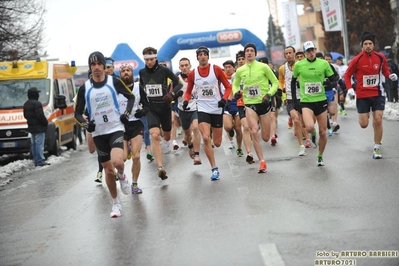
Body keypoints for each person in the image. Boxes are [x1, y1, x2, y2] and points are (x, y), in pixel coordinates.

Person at [74, 51, 135, 218]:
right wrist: (86, 124)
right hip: (98, 133)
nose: (96, 67)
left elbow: (131, 97)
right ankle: (116, 204)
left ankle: (122, 176)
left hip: (115, 127)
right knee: (108, 171)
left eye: (99, 64)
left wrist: (127, 114)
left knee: (118, 161)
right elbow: (77, 114)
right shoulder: (84, 88)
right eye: (92, 65)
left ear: (103, 66)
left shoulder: (113, 82)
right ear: (90, 68)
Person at [344, 31, 397, 159]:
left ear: (374, 45)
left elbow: (384, 70)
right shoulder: (356, 60)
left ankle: (377, 147)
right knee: (363, 124)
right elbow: (347, 75)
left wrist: (390, 75)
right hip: (362, 95)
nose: (368, 46)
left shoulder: (380, 57)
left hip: (378, 93)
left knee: (378, 119)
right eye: (366, 44)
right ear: (362, 46)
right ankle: (369, 119)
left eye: (370, 43)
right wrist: (350, 88)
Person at [183, 46, 232, 180]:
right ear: (197, 57)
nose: (203, 56)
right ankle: (214, 169)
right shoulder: (193, 73)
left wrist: (224, 99)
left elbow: (228, 87)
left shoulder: (215, 69)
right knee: (205, 137)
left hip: (216, 108)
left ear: (208, 56)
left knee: (217, 143)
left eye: (205, 54)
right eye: (200, 55)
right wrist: (186, 100)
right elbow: (188, 91)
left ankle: (216, 137)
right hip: (203, 108)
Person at [232, 43, 279, 173]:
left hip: (264, 103)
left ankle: (265, 139)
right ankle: (262, 162)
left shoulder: (263, 67)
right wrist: (236, 92)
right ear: (245, 53)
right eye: (247, 51)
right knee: (253, 131)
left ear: (255, 54)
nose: (249, 53)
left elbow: (275, 82)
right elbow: (235, 85)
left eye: (252, 50)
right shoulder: (240, 70)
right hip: (250, 104)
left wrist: (269, 94)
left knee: (265, 137)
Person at [139, 47, 183, 180]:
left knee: (167, 136)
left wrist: (172, 94)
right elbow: (141, 89)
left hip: (164, 107)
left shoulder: (164, 70)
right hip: (151, 109)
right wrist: (142, 105)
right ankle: (160, 168)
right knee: (155, 135)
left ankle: (167, 140)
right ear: (144, 60)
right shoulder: (142, 72)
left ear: (156, 58)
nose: (150, 62)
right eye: (147, 59)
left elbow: (179, 83)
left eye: (152, 59)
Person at [291, 41, 336, 166]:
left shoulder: (323, 64)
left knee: (323, 132)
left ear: (315, 50)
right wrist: (295, 101)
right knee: (309, 127)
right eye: (308, 51)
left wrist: (330, 84)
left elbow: (334, 79)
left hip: (321, 101)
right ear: (305, 53)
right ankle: (313, 134)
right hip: (306, 101)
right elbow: (293, 83)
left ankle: (320, 156)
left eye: (312, 50)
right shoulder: (299, 65)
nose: (311, 53)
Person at [119, 63, 150, 194]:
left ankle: (135, 184)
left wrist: (142, 112)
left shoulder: (138, 87)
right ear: (120, 75)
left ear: (132, 73)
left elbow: (148, 105)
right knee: (124, 158)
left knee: (136, 157)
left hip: (136, 124)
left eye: (128, 70)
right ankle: (121, 175)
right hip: (121, 126)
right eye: (123, 71)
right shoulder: (116, 88)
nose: (126, 72)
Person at [278, 46, 310, 156]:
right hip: (290, 98)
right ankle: (301, 146)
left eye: (290, 53)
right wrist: (281, 88)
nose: (288, 55)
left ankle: (309, 137)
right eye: (286, 53)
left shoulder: (300, 65)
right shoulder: (282, 68)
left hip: (303, 97)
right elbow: (281, 81)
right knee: (296, 120)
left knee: (305, 123)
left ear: (294, 53)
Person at [174, 57, 202, 165]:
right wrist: (176, 95)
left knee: (195, 128)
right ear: (179, 67)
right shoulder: (176, 79)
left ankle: (197, 154)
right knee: (187, 134)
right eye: (182, 66)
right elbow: (170, 94)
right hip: (183, 109)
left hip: (196, 107)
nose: (184, 67)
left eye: (186, 65)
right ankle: (190, 146)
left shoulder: (196, 76)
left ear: (190, 66)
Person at [234, 50, 255, 163]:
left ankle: (252, 142)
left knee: (253, 129)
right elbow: (233, 87)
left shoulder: (253, 70)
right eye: (239, 59)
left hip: (253, 102)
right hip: (241, 103)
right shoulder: (235, 75)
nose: (241, 61)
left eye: (243, 59)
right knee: (245, 127)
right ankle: (249, 153)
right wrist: (235, 93)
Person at [23, 87, 50, 167]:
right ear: (35, 94)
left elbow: (25, 116)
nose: (38, 94)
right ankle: (40, 161)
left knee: (34, 144)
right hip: (39, 127)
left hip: (31, 127)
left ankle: (36, 160)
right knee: (39, 144)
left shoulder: (26, 103)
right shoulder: (37, 104)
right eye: (37, 93)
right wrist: (45, 123)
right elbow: (40, 115)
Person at [222, 59, 244, 156]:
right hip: (227, 104)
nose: (227, 69)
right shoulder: (221, 78)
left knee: (238, 129)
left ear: (234, 67)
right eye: (225, 67)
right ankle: (231, 130)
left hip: (238, 103)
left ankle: (239, 148)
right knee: (227, 127)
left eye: (229, 67)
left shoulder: (237, 76)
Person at [259, 57, 281, 146]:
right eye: (261, 63)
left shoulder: (271, 73)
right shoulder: (258, 73)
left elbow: (275, 83)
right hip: (260, 99)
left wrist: (275, 95)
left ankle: (273, 135)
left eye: (265, 63)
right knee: (263, 118)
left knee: (272, 116)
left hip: (270, 97)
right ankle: (265, 131)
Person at [324, 53, 341, 135]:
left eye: (329, 59)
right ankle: (328, 123)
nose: (327, 61)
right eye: (326, 59)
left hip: (333, 89)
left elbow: (338, 77)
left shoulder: (335, 67)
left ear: (331, 60)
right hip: (323, 90)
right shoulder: (321, 66)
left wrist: (335, 82)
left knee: (334, 105)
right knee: (325, 109)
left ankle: (334, 122)